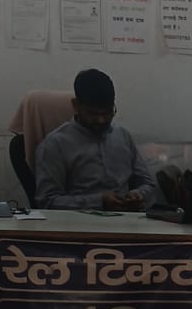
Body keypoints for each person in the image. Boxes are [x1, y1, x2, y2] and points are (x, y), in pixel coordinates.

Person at [35, 70, 158, 211]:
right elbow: (46, 201)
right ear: (76, 106)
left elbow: (148, 184)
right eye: (93, 113)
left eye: (107, 112)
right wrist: (98, 202)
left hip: (128, 218)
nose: (101, 120)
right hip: (83, 221)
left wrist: (139, 194)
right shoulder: (55, 145)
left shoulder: (123, 136)